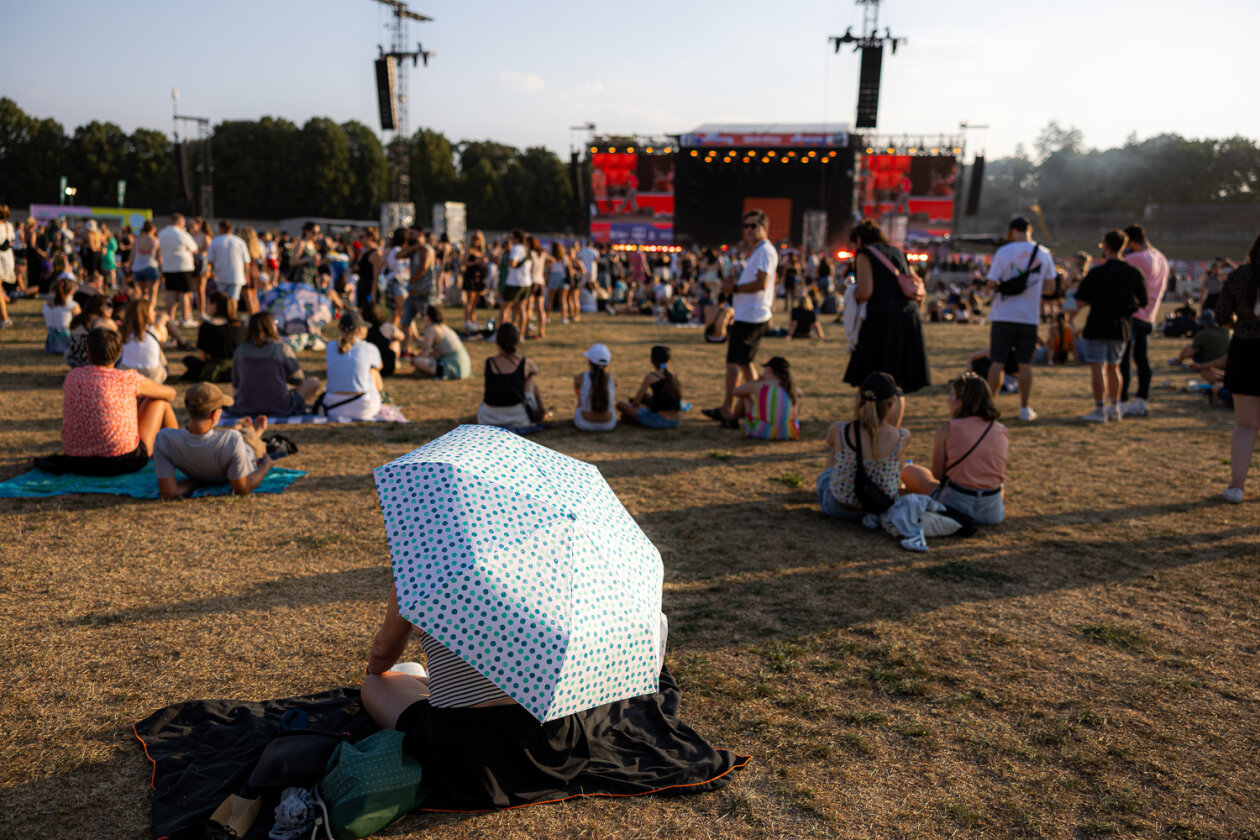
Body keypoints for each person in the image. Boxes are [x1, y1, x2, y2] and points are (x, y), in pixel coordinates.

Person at [35, 328, 177, 476]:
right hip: (121, 461)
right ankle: (178, 451)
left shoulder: (72, 377)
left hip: (76, 461)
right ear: (120, 352)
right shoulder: (128, 379)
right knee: (160, 401)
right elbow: (170, 393)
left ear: (88, 351)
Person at [702, 209, 777, 427]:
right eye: (746, 226)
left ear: (764, 227)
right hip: (752, 314)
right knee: (745, 364)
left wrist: (733, 288)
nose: (749, 230)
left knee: (733, 363)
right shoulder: (760, 251)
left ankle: (728, 410)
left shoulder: (764, 251)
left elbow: (761, 284)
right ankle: (754, 408)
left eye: (754, 226)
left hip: (751, 316)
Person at [901, 373, 1009, 525]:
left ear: (963, 401)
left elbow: (938, 475)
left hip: (955, 506)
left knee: (909, 471)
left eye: (952, 395)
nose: (948, 400)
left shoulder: (947, 429)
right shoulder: (1001, 429)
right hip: (992, 512)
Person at [841, 219, 930, 396]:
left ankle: (867, 422)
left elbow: (865, 292)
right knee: (896, 384)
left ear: (859, 240)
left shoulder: (865, 254)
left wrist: (850, 291)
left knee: (869, 381)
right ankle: (892, 423)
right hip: (907, 318)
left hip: (882, 321)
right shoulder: (898, 252)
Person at [983, 217, 1056, 421]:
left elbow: (990, 283)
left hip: (1003, 314)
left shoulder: (1004, 251)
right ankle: (1024, 408)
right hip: (1029, 317)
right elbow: (1051, 288)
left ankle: (990, 408)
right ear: (1030, 230)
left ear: (1012, 231)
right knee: (1025, 364)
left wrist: (1003, 286)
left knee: (997, 361)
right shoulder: (1044, 253)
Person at [1074, 230, 1148, 423]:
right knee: (1114, 367)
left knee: (1098, 367)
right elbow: (1143, 301)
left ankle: (1100, 410)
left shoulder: (1097, 272)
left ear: (1106, 246)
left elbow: (1080, 301)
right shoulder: (1133, 272)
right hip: (1121, 326)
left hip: (1098, 323)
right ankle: (1115, 407)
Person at [153, 382, 275, 499]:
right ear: (214, 414)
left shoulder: (164, 438)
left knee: (235, 436)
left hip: (220, 446)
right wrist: (266, 466)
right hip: (245, 450)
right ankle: (253, 432)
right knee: (248, 440)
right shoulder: (232, 439)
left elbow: (169, 492)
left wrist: (196, 481)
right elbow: (242, 488)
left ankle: (243, 428)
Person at [817, 372, 908, 521]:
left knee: (837, 447)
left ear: (859, 399)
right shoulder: (902, 436)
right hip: (879, 507)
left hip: (839, 508)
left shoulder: (839, 429)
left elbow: (829, 442)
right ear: (891, 406)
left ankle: (842, 486)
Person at [1215, 234, 1260, 503]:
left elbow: (1221, 315)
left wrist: (1241, 325)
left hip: (1245, 350)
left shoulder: (1239, 275)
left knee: (1245, 425)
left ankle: (1236, 486)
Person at [1118, 224, 1170, 417]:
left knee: (1123, 360)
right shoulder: (1161, 258)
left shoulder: (1136, 258)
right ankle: (1141, 399)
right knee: (1142, 359)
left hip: (1133, 314)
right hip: (1150, 316)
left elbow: (1114, 265)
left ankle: (1121, 400)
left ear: (1130, 242)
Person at [230, 312, 321, 417]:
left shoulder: (240, 350)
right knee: (314, 382)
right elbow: (298, 379)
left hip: (245, 407)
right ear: (270, 327)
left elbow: (236, 384)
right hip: (280, 407)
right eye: (275, 323)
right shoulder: (281, 348)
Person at [477, 323, 548, 428]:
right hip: (518, 418)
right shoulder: (525, 363)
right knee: (530, 380)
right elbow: (535, 370)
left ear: (497, 342)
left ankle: (541, 411)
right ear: (517, 341)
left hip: (488, 418)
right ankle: (542, 411)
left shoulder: (489, 362)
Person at [325, 310, 385, 421]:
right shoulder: (369, 348)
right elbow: (379, 367)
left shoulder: (330, 346)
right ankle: (383, 397)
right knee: (373, 371)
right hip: (363, 407)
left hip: (333, 407)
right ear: (360, 329)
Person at [731, 356, 802, 441]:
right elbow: (800, 394)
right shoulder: (790, 388)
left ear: (769, 369)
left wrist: (754, 381)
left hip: (761, 432)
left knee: (746, 396)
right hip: (788, 433)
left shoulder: (760, 385)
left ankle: (732, 420)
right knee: (795, 397)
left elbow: (736, 391)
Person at [182, 292, 247, 382]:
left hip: (214, 367)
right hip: (238, 366)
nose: (206, 306)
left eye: (208, 303)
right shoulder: (241, 326)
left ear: (214, 306)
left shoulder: (206, 326)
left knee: (189, 360)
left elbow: (202, 357)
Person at [617, 345, 683, 430]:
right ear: (668, 361)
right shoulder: (673, 376)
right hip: (676, 421)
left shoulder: (651, 376)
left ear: (652, 360)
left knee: (620, 405)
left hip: (659, 420)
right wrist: (652, 398)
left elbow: (636, 403)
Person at [158, 214, 200, 327]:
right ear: (181, 223)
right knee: (184, 294)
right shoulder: (182, 234)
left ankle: (170, 318)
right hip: (183, 267)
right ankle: (185, 317)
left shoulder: (162, 233)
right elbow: (195, 249)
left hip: (168, 267)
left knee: (170, 293)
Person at [117, 299, 170, 384]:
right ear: (146, 313)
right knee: (159, 351)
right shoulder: (156, 330)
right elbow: (163, 341)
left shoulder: (122, 331)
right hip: (152, 375)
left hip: (126, 372)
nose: (155, 313)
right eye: (153, 310)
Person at [412, 306, 471, 380]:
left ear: (429, 317)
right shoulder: (442, 327)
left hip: (451, 366)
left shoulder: (431, 329)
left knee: (417, 361)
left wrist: (414, 358)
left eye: (424, 314)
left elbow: (425, 353)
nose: (422, 317)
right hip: (464, 366)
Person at [572, 342, 616, 432]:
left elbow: (579, 398)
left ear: (589, 362)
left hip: (584, 423)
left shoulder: (581, 377)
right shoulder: (612, 378)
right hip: (608, 424)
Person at [64, 296, 117, 368]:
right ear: (100, 306)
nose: (111, 308)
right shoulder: (104, 322)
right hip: (93, 362)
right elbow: (118, 341)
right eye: (109, 305)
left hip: (74, 360)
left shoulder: (77, 319)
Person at [206, 220, 250, 305]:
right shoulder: (239, 241)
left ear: (221, 229)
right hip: (237, 276)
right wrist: (246, 275)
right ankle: (232, 316)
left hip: (221, 276)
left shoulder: (215, 241)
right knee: (233, 299)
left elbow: (210, 260)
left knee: (221, 300)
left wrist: (210, 273)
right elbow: (246, 261)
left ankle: (224, 316)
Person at [500, 229, 532, 337]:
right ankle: (520, 334)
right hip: (526, 282)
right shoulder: (526, 249)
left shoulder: (516, 248)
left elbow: (512, 264)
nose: (511, 239)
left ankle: (501, 334)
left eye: (512, 237)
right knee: (521, 309)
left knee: (504, 307)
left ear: (517, 238)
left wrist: (509, 259)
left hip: (514, 282)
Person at [363, 301, 402, 377]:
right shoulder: (386, 326)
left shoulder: (363, 329)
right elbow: (401, 336)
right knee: (395, 342)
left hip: (369, 366)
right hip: (386, 366)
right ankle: (396, 362)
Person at [43, 277, 79, 354]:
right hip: (66, 338)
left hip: (51, 341)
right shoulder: (73, 305)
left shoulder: (46, 305)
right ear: (71, 291)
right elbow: (80, 323)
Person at [461, 231, 489, 330]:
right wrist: (475, 262)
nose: (475, 241)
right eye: (474, 238)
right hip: (471, 277)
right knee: (470, 300)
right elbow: (464, 262)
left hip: (479, 278)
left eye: (477, 239)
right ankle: (467, 321)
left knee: (475, 301)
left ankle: (472, 320)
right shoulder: (470, 250)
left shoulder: (482, 252)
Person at [130, 220, 161, 304]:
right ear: (152, 229)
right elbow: (159, 257)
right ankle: (150, 311)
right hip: (151, 267)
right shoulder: (155, 240)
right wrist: (162, 268)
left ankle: (140, 311)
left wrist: (129, 268)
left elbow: (132, 255)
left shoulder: (137, 240)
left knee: (142, 293)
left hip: (137, 268)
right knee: (152, 293)